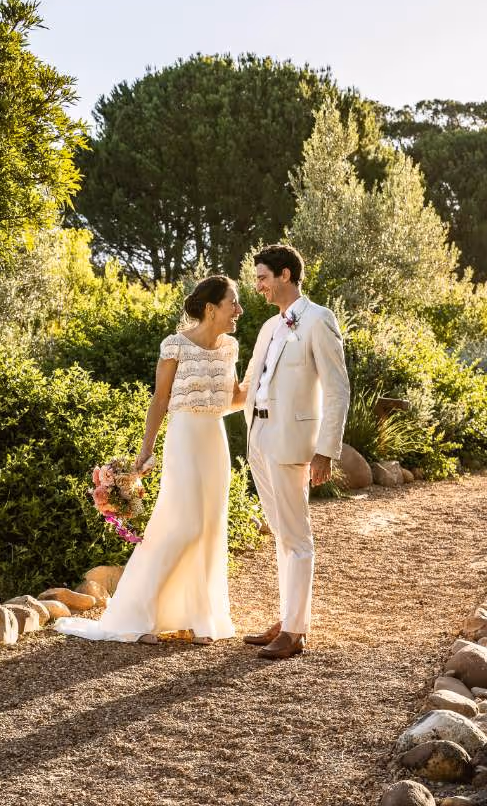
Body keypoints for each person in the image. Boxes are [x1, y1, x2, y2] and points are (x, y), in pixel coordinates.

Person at [54, 275, 246, 645]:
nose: (238, 310)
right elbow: (159, 401)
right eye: (232, 303)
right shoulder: (175, 345)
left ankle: (198, 618)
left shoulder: (230, 347)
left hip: (214, 441)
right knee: (184, 524)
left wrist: (263, 380)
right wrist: (146, 450)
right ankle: (136, 615)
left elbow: (232, 400)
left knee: (208, 527)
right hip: (185, 438)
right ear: (211, 308)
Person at [240, 244, 349, 660]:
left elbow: (338, 389)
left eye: (263, 277)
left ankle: (295, 631)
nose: (259, 286)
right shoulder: (269, 327)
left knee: (297, 535)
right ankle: (287, 619)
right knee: (281, 533)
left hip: (293, 440)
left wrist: (326, 450)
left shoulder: (319, 319)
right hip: (260, 435)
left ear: (286, 275)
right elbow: (252, 383)